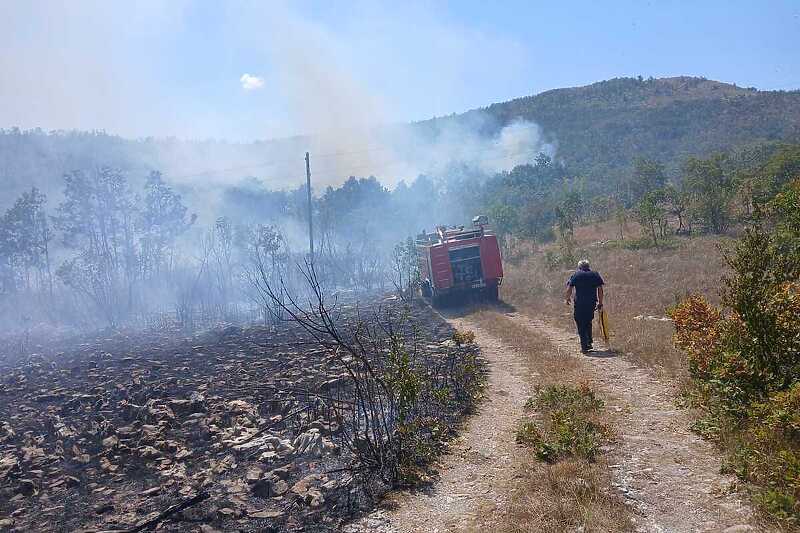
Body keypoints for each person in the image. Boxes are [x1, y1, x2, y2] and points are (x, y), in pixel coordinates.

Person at [564, 259, 604, 354]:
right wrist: (600, 302)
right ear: (588, 266)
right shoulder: (595, 274)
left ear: (579, 267)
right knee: (588, 321)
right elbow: (600, 289)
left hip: (580, 303)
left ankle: (584, 345)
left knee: (580, 322)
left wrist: (567, 298)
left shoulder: (576, 275)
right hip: (591, 303)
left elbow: (570, 288)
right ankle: (589, 342)